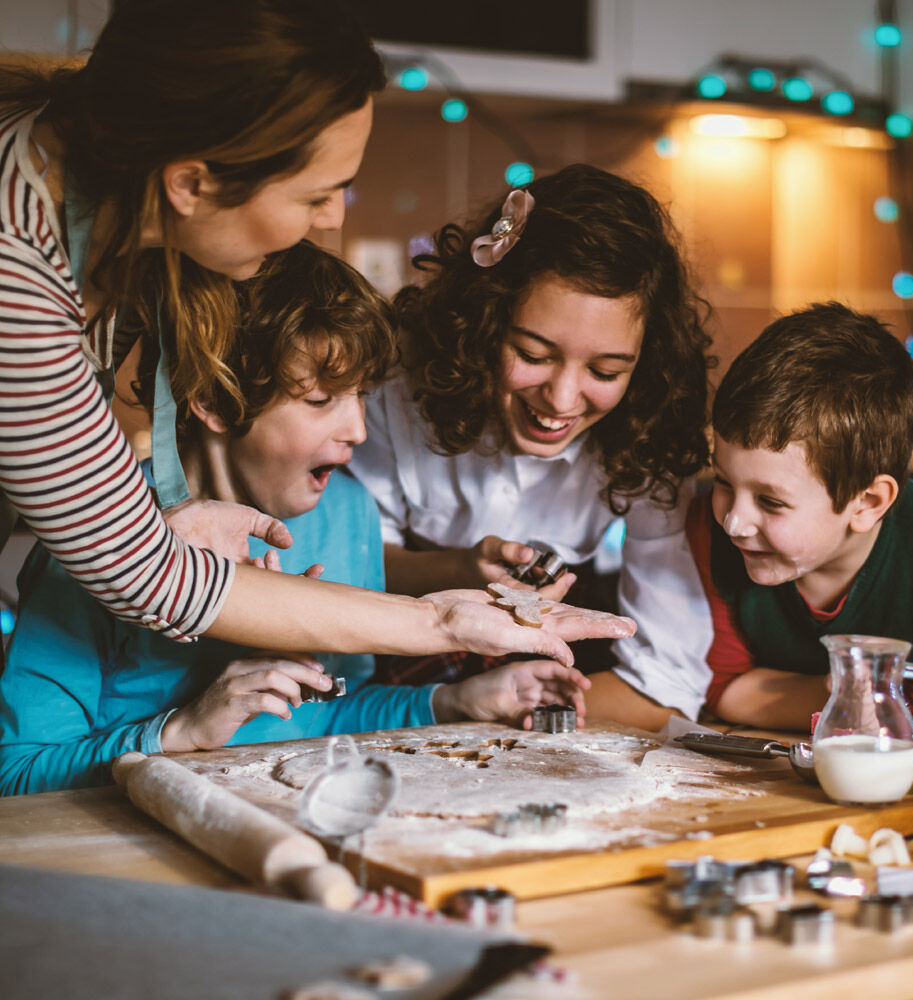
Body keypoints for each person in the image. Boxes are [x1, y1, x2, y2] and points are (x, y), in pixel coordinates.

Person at [0, 0, 630, 666]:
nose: (330, 221)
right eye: (314, 195)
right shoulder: (14, 277)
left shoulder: (100, 190)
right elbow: (147, 577)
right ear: (190, 183)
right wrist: (442, 621)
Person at [0, 243, 591, 795]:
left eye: (361, 395)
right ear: (213, 398)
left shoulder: (349, 512)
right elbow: (16, 773)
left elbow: (333, 711)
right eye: (320, 400)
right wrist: (182, 732)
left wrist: (453, 701)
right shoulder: (101, 537)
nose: (357, 429)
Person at [349, 164, 715, 728]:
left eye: (606, 369)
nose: (563, 399)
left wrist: (519, 712)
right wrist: (462, 571)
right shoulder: (397, 396)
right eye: (534, 355)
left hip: (539, 685)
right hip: (386, 685)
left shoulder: (649, 439)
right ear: (484, 324)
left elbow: (668, 678)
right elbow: (352, 571)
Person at [689, 302, 913, 731]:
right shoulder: (706, 527)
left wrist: (803, 696)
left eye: (771, 502)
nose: (734, 522)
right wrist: (847, 696)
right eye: (723, 481)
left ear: (868, 503)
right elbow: (718, 688)